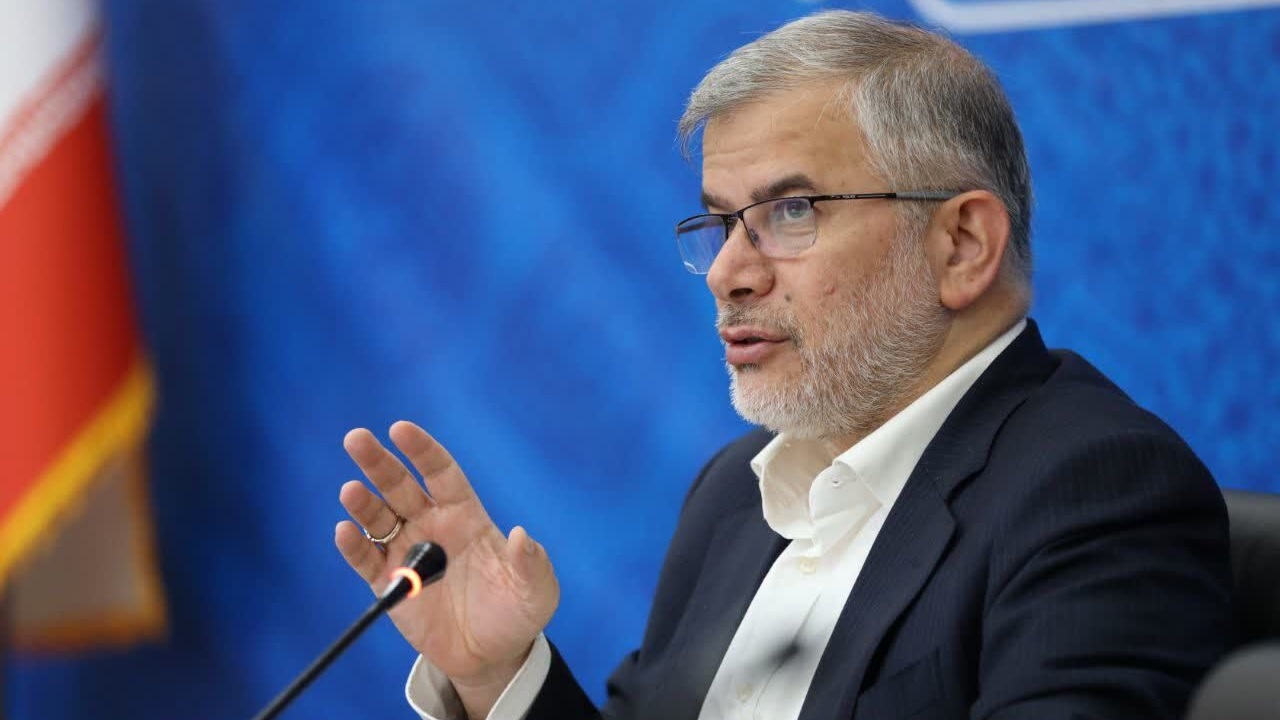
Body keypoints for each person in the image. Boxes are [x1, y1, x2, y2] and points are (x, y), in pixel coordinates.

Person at [333, 10, 1233, 720]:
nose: (728, 271)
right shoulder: (734, 495)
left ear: (962, 244)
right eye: (719, 222)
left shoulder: (1096, 493)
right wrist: (497, 675)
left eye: (791, 212)